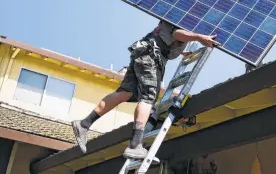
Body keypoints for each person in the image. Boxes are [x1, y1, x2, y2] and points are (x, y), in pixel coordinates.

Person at [71, 21, 219, 159]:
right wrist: (199, 37)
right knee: (148, 98)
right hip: (151, 57)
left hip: (143, 51)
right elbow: (175, 33)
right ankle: (135, 145)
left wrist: (180, 52)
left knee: (125, 93)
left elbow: (166, 36)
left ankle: (84, 124)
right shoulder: (183, 18)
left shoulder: (178, 14)